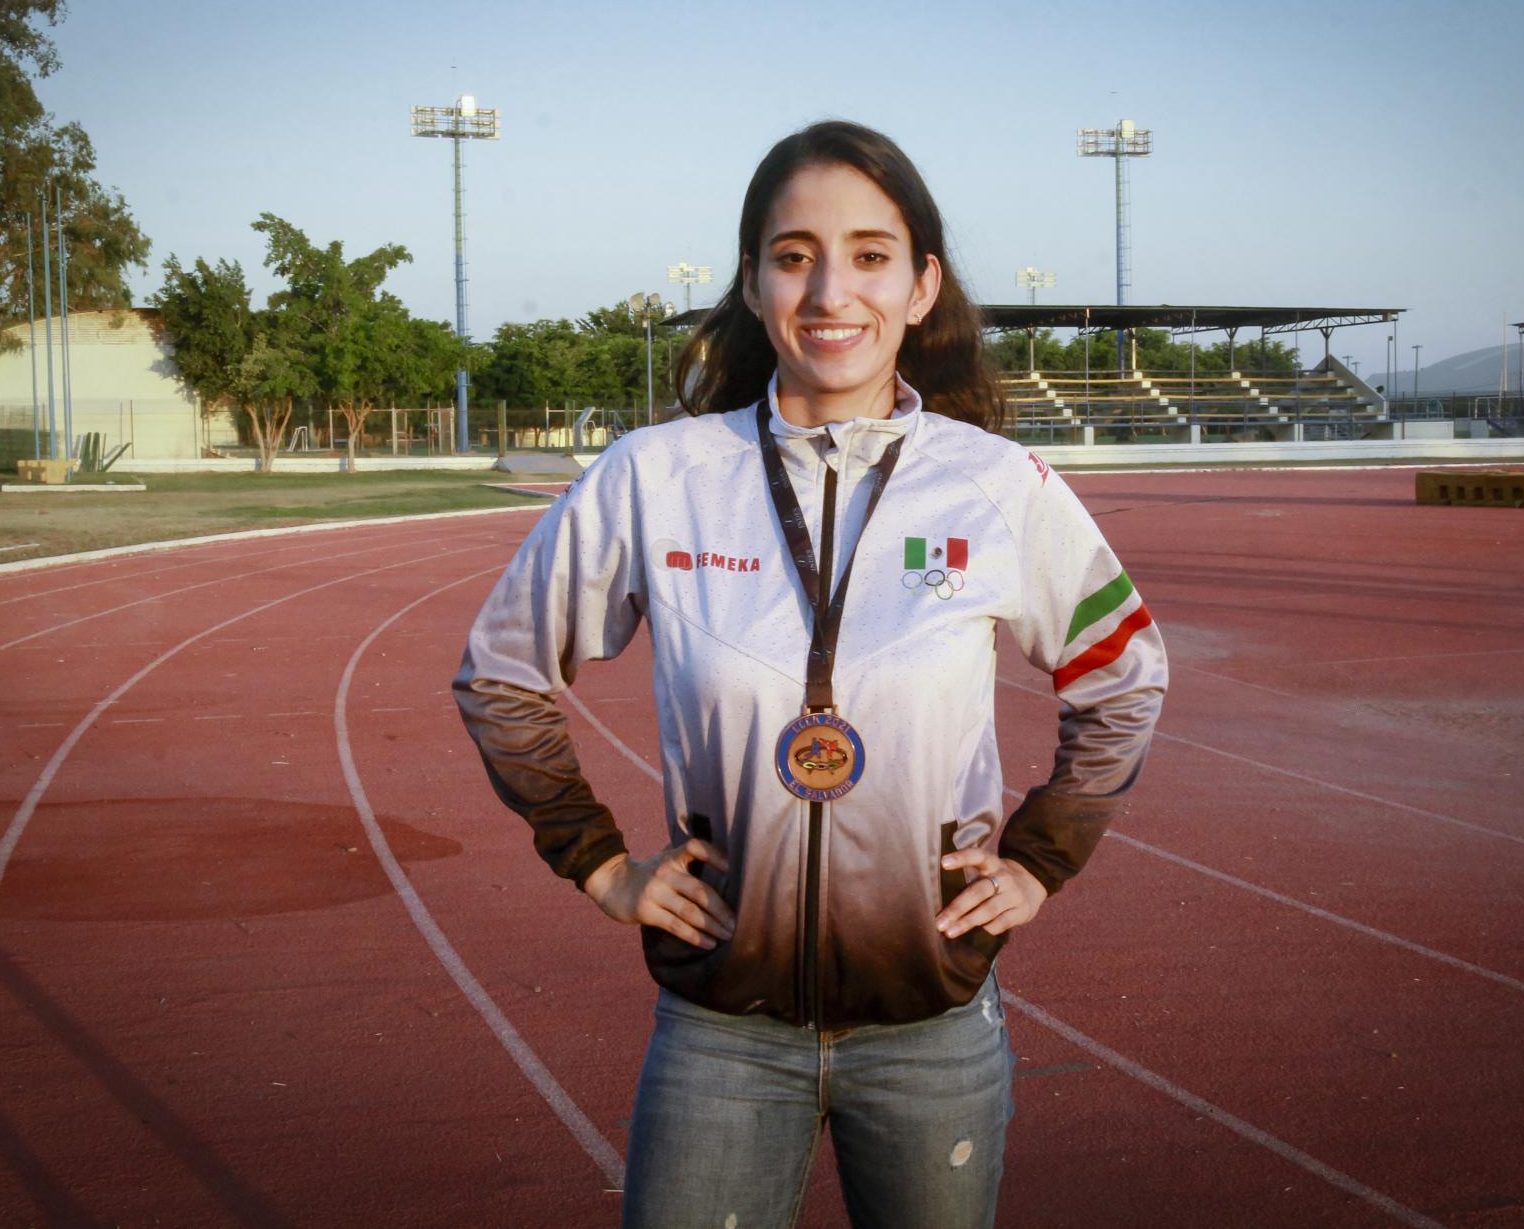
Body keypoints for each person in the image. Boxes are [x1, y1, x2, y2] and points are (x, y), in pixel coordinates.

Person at [454, 120, 1166, 1229]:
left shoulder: (999, 489)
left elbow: (1122, 676)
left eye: (871, 254)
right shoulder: (657, 478)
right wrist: (597, 863)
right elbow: (501, 672)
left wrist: (1039, 857)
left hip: (931, 1030)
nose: (831, 289)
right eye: (793, 255)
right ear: (750, 281)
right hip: (719, 1036)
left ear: (922, 285)